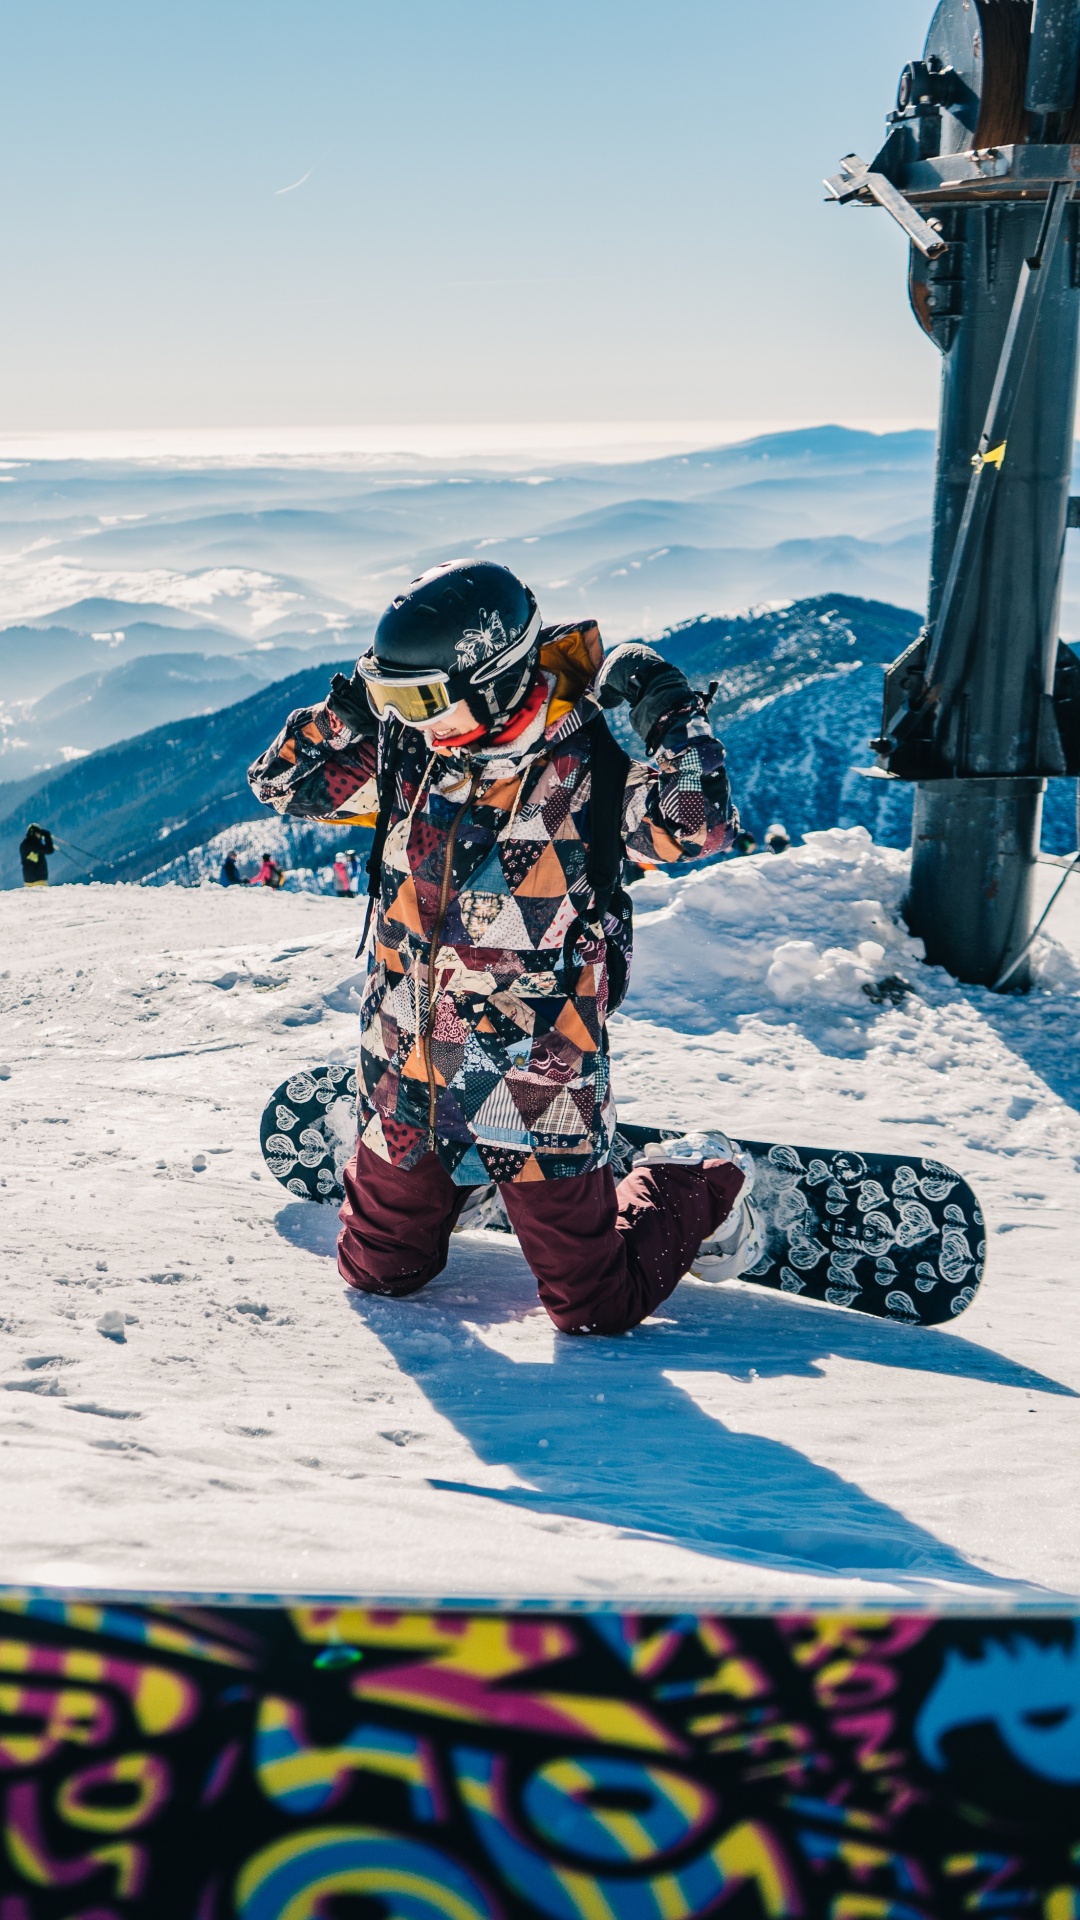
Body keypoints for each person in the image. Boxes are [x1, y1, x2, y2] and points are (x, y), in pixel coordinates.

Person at [249, 559, 752, 1336]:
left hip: (531, 1068)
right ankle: (473, 1181)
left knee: (594, 1307)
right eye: (393, 698)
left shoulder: (585, 766)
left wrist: (670, 712)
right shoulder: (410, 751)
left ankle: (701, 1175)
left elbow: (695, 824)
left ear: (491, 679)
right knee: (381, 1274)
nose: (408, 718)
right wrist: (350, 710)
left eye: (419, 699)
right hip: (406, 1055)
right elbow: (280, 784)